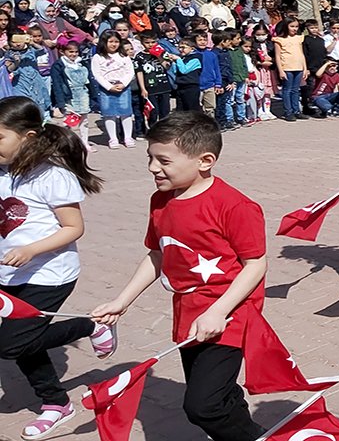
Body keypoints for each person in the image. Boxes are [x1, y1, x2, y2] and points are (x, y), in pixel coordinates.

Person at [91, 113, 268, 441]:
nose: (153, 168)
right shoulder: (160, 201)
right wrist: (121, 302)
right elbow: (157, 255)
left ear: (205, 160)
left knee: (202, 407)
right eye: (150, 158)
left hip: (229, 314)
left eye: (163, 160)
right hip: (187, 311)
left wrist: (219, 310)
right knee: (217, 394)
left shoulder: (235, 206)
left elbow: (255, 264)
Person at [0, 97, 110, 440]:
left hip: (50, 275)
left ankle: (88, 325)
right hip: (9, 274)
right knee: (23, 343)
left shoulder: (53, 176)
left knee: (11, 344)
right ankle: (56, 403)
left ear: (28, 137)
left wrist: (31, 249)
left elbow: (73, 228)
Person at [91, 31, 136, 149]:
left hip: (123, 87)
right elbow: (97, 74)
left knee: (126, 113)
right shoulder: (98, 57)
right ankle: (113, 138)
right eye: (110, 42)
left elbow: (130, 72)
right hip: (107, 89)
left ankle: (128, 137)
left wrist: (123, 83)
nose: (114, 44)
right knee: (108, 114)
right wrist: (109, 87)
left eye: (116, 42)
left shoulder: (124, 56)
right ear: (104, 42)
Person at [135, 31, 174, 128]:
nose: (150, 45)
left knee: (165, 110)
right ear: (142, 43)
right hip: (150, 87)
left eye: (153, 42)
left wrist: (159, 56)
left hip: (163, 85)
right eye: (147, 42)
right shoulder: (139, 56)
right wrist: (143, 88)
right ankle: (152, 129)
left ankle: (164, 130)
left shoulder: (161, 53)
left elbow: (167, 66)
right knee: (153, 111)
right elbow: (139, 72)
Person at [272, 18, 306, 122]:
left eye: (296, 26)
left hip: (298, 67)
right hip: (287, 67)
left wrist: (305, 68)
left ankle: (296, 111)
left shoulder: (299, 38)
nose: (294, 29)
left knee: (296, 90)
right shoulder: (279, 39)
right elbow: (277, 56)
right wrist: (281, 70)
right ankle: (288, 112)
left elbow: (301, 54)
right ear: (286, 26)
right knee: (287, 90)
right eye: (292, 26)